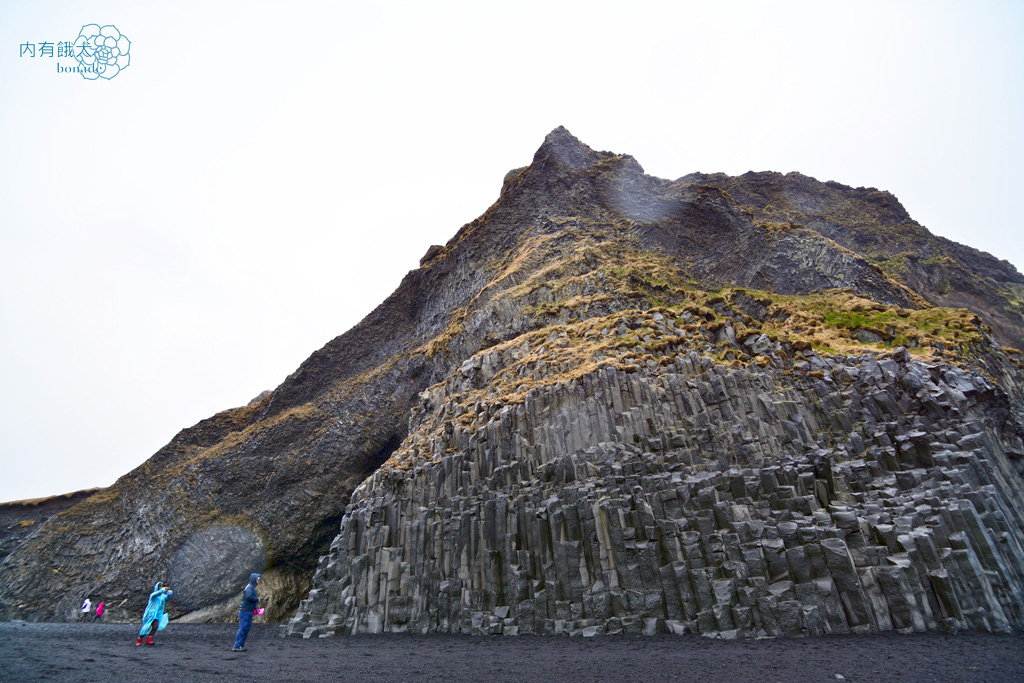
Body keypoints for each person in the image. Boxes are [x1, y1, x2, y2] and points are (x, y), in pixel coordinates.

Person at [232, 573, 261, 652]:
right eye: (257, 579)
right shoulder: (249, 588)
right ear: (254, 579)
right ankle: (236, 646)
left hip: (249, 611)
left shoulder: (252, 588)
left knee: (246, 629)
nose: (258, 581)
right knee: (243, 628)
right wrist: (257, 600)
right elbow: (248, 597)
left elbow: (251, 601)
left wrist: (256, 610)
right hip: (244, 611)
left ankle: (241, 645)